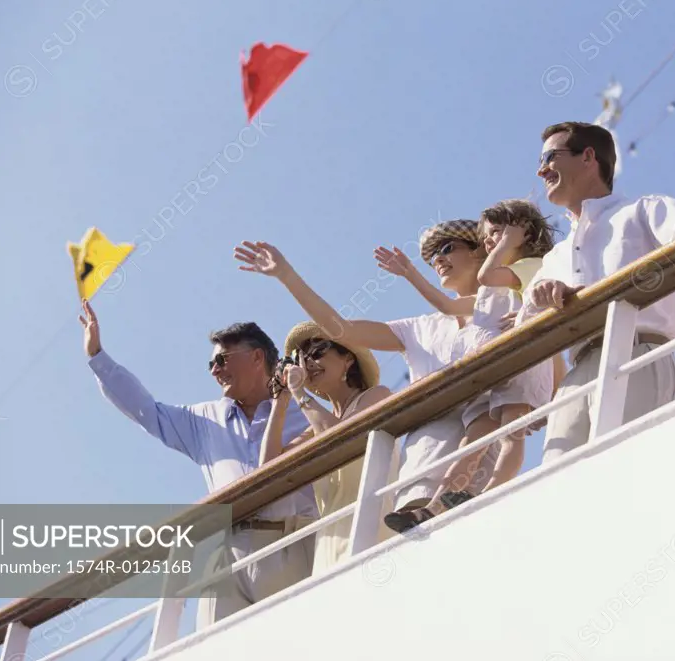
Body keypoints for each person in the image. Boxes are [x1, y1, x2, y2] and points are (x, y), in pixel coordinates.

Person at [233, 222, 499, 518]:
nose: (437, 259)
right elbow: (340, 330)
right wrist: (286, 276)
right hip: (419, 475)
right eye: (433, 255)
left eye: (447, 248)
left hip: (479, 465)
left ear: (480, 252)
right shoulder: (418, 329)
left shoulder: (504, 306)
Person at [79, 300, 317, 629]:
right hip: (225, 557)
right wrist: (97, 357)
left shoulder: (304, 409)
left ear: (257, 357)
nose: (214, 370)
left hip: (293, 543)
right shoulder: (202, 420)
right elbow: (148, 411)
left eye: (221, 360)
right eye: (211, 365)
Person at [517, 121, 675, 462]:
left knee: (628, 470)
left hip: (638, 354)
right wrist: (539, 298)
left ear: (588, 157)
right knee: (555, 488)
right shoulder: (555, 257)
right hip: (575, 375)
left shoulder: (644, 210)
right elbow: (525, 331)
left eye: (550, 157)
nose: (540, 170)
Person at [372, 200, 559, 532]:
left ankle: (494, 491)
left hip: (519, 364)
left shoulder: (530, 266)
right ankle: (438, 502)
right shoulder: (489, 290)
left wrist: (505, 246)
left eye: (495, 234)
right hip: (491, 373)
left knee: (510, 435)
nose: (489, 243)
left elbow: (490, 275)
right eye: (486, 238)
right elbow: (445, 304)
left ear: (522, 234)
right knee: (471, 443)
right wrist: (410, 274)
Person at [259, 321, 399, 573]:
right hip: (329, 543)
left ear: (348, 359)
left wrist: (301, 394)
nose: (308, 362)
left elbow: (341, 440)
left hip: (372, 531)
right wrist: (281, 401)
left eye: (317, 351)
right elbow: (268, 468)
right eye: (301, 358)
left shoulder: (377, 396)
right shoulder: (316, 428)